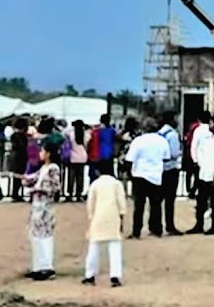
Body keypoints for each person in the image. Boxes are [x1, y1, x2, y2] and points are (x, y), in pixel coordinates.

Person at [17, 141, 62, 280]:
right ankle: (38, 266)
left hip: (45, 207)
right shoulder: (44, 168)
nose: (40, 153)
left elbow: (54, 188)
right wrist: (21, 178)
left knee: (45, 237)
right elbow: (31, 178)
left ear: (48, 153)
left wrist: (33, 189)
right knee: (35, 236)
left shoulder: (53, 168)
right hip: (37, 206)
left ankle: (47, 267)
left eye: (43, 151)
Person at [124, 115, 169, 239]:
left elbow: (129, 159)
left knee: (139, 206)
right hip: (156, 175)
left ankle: (136, 231)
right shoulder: (162, 140)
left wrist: (130, 175)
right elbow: (166, 157)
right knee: (156, 205)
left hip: (140, 174)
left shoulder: (138, 141)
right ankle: (156, 229)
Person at [82, 159, 126, 288]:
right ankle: (115, 276)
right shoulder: (116, 184)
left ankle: (90, 275)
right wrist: (122, 218)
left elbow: (90, 203)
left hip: (98, 217)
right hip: (113, 217)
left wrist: (91, 217)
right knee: (115, 247)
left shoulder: (95, 184)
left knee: (94, 247)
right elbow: (121, 203)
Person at [156, 113, 183, 236]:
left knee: (157, 199)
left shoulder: (159, 134)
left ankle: (155, 226)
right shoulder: (172, 135)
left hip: (159, 169)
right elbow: (174, 153)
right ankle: (170, 226)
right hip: (170, 169)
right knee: (169, 200)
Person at [67, 119, 88, 201]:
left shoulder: (71, 134)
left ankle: (70, 194)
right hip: (83, 157)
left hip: (73, 157)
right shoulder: (86, 135)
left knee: (71, 176)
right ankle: (78, 194)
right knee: (80, 177)